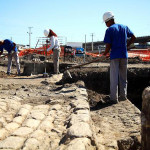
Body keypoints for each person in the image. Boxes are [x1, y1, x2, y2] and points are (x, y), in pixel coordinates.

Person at [102, 12, 136, 104]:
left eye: (105, 22)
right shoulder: (124, 27)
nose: (106, 24)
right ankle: (123, 96)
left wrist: (104, 53)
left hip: (115, 56)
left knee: (114, 78)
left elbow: (108, 45)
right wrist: (127, 45)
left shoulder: (109, 30)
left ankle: (113, 98)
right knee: (123, 77)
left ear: (109, 21)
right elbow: (133, 37)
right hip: (124, 55)